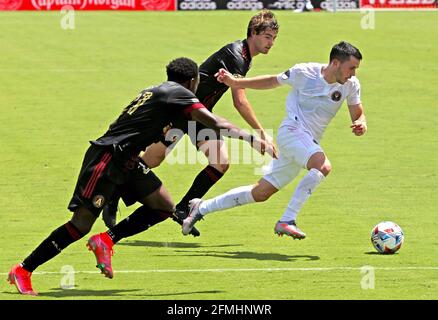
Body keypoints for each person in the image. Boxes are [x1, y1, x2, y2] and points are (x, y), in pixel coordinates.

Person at [7, 57, 275, 295]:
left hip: (128, 160)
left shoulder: (160, 91)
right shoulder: (178, 93)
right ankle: (24, 269)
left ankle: (107, 239)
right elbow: (213, 122)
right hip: (107, 159)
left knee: (164, 206)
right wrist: (250, 137)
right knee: (80, 224)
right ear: (192, 81)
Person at [101, 9, 280, 234]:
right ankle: (113, 193)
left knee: (220, 162)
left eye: (274, 38)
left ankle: (183, 209)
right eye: (267, 37)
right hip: (182, 111)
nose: (271, 43)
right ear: (253, 33)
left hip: (199, 115)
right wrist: (260, 133)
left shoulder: (245, 58)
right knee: (152, 159)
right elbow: (240, 102)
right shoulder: (236, 56)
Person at [182, 41, 367, 240]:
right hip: (292, 132)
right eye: (352, 68)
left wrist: (360, 123)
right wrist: (236, 83)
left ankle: (200, 207)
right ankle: (287, 220)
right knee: (322, 166)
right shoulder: (304, 72)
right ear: (336, 63)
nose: (353, 74)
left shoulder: (351, 85)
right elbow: (271, 81)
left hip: (306, 143)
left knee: (261, 192)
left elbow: (358, 113)